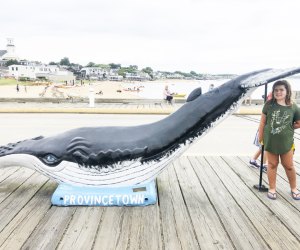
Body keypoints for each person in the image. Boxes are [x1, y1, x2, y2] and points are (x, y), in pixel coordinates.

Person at [258, 80, 300, 200]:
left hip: (287, 142)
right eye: (276, 90)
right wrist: (261, 138)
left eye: (281, 89)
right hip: (270, 141)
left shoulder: (293, 106)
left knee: (289, 166)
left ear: (287, 91)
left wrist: (289, 127)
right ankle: (272, 188)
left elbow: (298, 122)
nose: (278, 92)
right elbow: (262, 122)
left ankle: (294, 188)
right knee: (272, 164)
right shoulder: (269, 104)